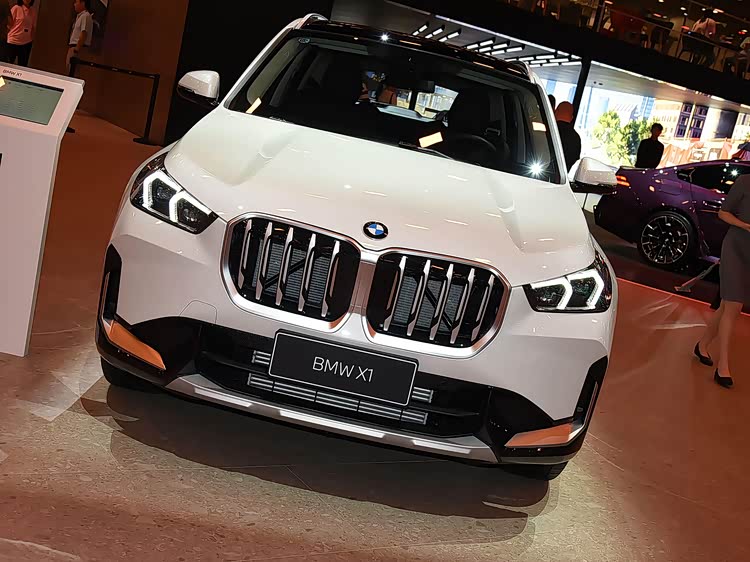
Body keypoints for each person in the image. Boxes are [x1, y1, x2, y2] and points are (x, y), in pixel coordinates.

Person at [695, 175, 750, 389]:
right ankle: (723, 365)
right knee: (734, 304)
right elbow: (723, 212)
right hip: (736, 248)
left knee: (728, 305)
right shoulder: (744, 182)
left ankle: (702, 345)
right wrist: (745, 225)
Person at [6, 0, 37, 67]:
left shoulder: (33, 11)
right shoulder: (16, 8)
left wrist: (32, 39)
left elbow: (33, 27)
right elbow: (9, 24)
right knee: (8, 65)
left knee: (23, 66)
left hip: (26, 43)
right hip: (13, 41)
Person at [67, 0, 94, 73]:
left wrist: (76, 49)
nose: (74, 4)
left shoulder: (86, 16)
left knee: (74, 72)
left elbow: (84, 33)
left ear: (83, 3)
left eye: (76, 2)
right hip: (74, 47)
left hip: (78, 48)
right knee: (69, 70)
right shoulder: (80, 16)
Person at [554, 101, 581, 172]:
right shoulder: (576, 138)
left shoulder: (548, 130)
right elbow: (575, 160)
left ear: (556, 112)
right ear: (571, 117)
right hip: (561, 176)